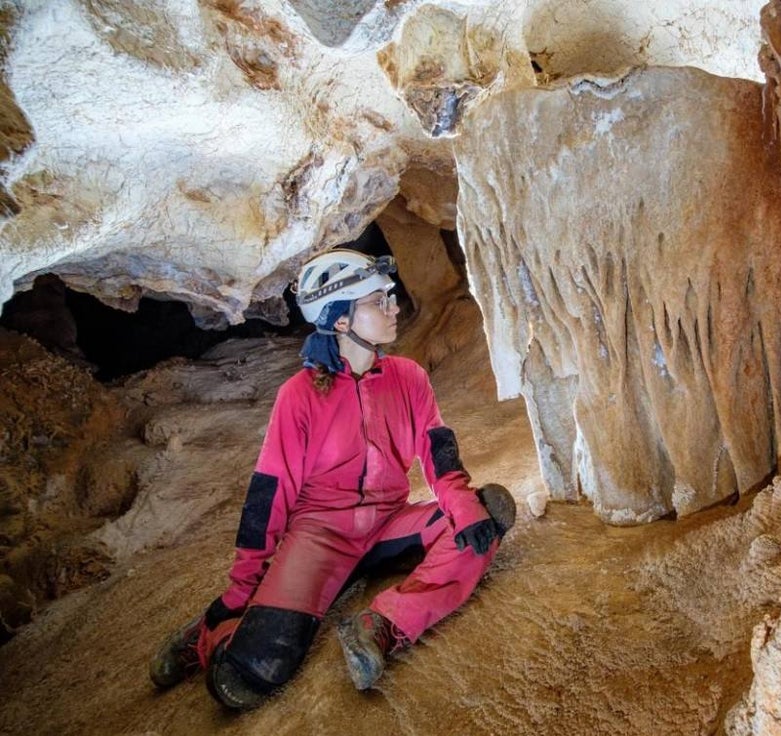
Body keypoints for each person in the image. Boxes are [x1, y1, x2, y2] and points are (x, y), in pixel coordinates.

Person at [148, 248, 515, 709]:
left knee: (483, 521)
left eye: (390, 297)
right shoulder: (298, 396)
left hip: (388, 525)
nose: (393, 307)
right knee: (246, 678)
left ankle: (383, 625)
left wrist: (462, 507)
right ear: (341, 320)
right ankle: (205, 637)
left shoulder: (408, 377)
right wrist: (241, 588)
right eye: (378, 302)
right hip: (319, 538)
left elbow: (437, 452)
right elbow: (270, 495)